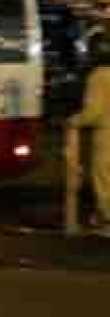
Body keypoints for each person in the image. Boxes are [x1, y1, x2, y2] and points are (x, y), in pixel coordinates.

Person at [68, 43, 110, 237]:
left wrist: (74, 121)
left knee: (104, 178)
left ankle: (107, 222)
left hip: (107, 137)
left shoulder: (99, 76)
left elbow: (94, 112)